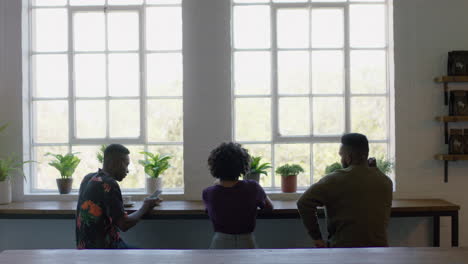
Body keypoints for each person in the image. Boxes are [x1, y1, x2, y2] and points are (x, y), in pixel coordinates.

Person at [297, 133, 393, 248]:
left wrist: (317, 237)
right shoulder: (386, 181)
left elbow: (303, 202)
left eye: (341, 155)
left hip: (342, 250)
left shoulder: (334, 180)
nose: (341, 159)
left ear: (349, 157)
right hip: (379, 251)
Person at [75, 144, 162, 249]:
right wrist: (145, 207)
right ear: (115, 163)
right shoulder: (109, 183)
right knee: (148, 256)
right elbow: (124, 224)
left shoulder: (88, 178)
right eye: (126, 164)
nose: (127, 170)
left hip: (85, 250)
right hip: (106, 252)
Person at [202, 142, 274, 249]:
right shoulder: (253, 187)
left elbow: (210, 210)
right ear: (243, 165)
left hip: (220, 243)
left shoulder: (208, 192)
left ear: (214, 165)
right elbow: (269, 207)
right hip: (247, 241)